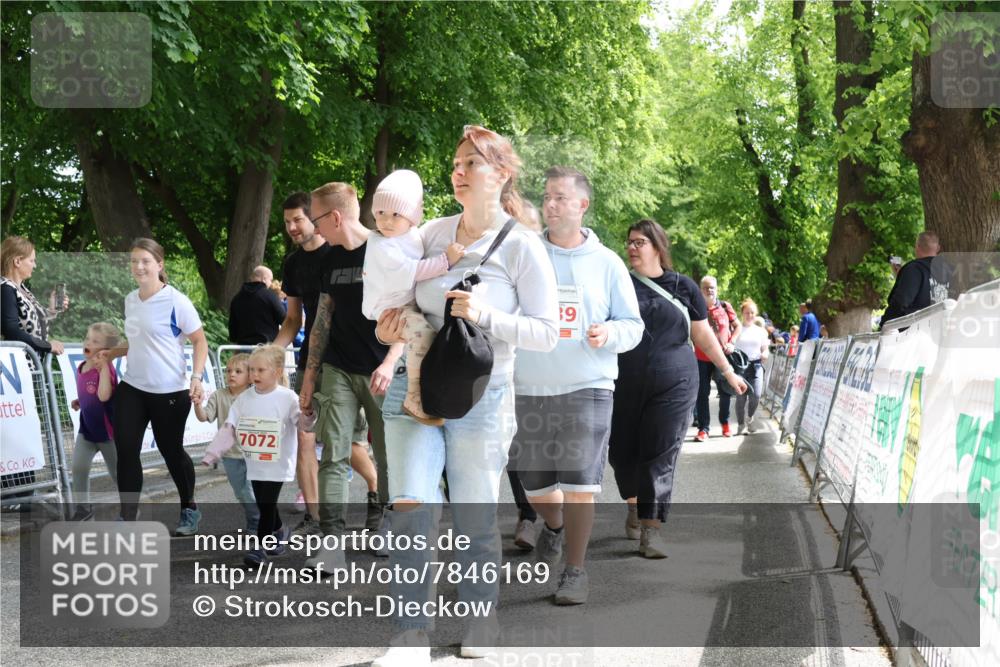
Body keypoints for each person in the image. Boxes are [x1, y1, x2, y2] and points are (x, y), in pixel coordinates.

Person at [372, 125, 558, 666]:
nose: (456, 172)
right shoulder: (429, 233)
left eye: (469, 164)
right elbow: (390, 296)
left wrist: (486, 316)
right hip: (413, 389)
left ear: (500, 174)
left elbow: (547, 331)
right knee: (410, 508)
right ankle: (410, 636)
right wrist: (388, 330)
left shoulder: (522, 246)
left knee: (475, 516)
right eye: (454, 164)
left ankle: (482, 618)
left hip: (484, 394)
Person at [510, 166, 643, 605]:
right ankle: (553, 526)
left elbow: (633, 325)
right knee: (537, 489)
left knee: (581, 484)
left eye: (561, 198)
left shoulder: (607, 264)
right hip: (529, 386)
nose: (551, 204)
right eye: (547, 197)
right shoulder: (526, 253)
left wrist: (609, 334)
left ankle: (575, 570)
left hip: (588, 384)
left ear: (582, 205)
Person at [610, 219, 746, 559]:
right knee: (622, 452)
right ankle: (633, 504)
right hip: (624, 380)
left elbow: (702, 335)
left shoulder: (683, 286)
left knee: (660, 452)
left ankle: (651, 527)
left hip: (676, 381)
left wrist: (728, 373)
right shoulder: (619, 284)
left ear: (658, 246)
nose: (631, 247)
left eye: (639, 242)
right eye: (629, 242)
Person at [299, 182, 403, 570]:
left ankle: (387, 519)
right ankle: (332, 544)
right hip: (338, 369)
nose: (314, 228)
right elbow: (321, 320)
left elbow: (408, 311)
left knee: (389, 456)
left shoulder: (385, 250)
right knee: (333, 456)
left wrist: (391, 362)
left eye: (315, 219)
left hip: (380, 369)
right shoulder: (327, 260)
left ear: (335, 216)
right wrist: (310, 377)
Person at [272, 192, 375, 538]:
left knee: (346, 445)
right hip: (314, 361)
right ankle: (317, 520)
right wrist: (274, 352)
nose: (292, 227)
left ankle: (377, 490)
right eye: (287, 222)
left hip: (358, 361)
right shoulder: (292, 264)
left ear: (319, 219)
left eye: (299, 220)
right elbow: (294, 320)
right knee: (308, 440)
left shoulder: (342, 250)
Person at [98, 238, 208, 533]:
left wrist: (196, 377)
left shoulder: (176, 301)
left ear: (159, 265)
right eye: (134, 261)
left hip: (169, 391)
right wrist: (113, 352)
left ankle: (189, 509)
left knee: (171, 450)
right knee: (126, 449)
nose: (139, 266)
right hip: (133, 387)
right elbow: (137, 340)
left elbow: (200, 340)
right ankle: (127, 517)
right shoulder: (131, 299)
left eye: (145, 261)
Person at [361, 169, 465, 424]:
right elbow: (414, 270)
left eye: (396, 214)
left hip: (403, 304)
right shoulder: (381, 244)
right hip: (392, 307)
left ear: (413, 217)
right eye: (380, 213)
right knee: (423, 336)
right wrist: (446, 261)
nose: (386, 220)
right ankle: (415, 397)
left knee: (424, 336)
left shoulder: (414, 235)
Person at [202, 345, 310, 566]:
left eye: (260, 370)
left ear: (277, 372)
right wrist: (213, 453)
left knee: (267, 503)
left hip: (278, 463)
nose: (254, 375)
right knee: (263, 503)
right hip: (255, 462)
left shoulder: (288, 397)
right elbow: (229, 427)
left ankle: (260, 548)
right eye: (252, 370)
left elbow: (302, 423)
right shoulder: (244, 398)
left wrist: (309, 414)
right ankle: (280, 530)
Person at [0, 236, 68, 497]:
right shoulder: (5, 288)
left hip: (29, 371)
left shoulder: (22, 290)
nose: (35, 265)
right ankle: (15, 492)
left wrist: (51, 311)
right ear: (17, 261)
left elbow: (31, 324)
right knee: (17, 429)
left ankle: (26, 488)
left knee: (26, 427)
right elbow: (10, 329)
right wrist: (46, 345)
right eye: (32, 260)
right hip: (17, 372)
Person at [194, 353, 259, 534]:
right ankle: (257, 520)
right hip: (230, 455)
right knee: (242, 493)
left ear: (249, 376)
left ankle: (258, 524)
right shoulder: (219, 395)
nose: (231, 374)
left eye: (238, 371)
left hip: (254, 453)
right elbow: (204, 417)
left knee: (255, 491)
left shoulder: (255, 396)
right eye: (229, 370)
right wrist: (197, 404)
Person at [68, 322, 120, 521]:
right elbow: (90, 394)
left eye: (95, 341)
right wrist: (80, 401)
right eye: (88, 338)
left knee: (118, 474)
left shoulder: (107, 370)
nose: (88, 342)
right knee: (79, 468)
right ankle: (83, 508)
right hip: (87, 431)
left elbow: (105, 395)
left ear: (106, 350)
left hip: (108, 434)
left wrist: (105, 366)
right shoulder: (81, 367)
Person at [694, 275, 741, 441]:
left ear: (717, 289)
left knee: (725, 392)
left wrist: (732, 342)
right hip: (701, 357)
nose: (709, 290)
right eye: (706, 288)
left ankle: (725, 423)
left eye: (712, 287)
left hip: (722, 357)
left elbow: (738, 326)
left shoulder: (725, 306)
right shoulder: (695, 307)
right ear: (700, 290)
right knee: (702, 393)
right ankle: (703, 429)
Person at [881, 231, 952, 329]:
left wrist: (884, 324)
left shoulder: (914, 269)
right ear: (938, 248)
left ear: (917, 246)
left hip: (914, 333)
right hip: (941, 328)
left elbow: (900, 302)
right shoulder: (950, 270)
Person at [733, 301, 769, 435]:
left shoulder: (760, 331)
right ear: (742, 313)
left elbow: (765, 348)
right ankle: (741, 424)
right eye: (747, 312)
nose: (750, 315)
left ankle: (750, 417)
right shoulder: (737, 329)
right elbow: (731, 344)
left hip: (756, 365)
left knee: (756, 395)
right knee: (741, 398)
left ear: (756, 314)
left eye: (752, 313)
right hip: (740, 367)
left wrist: (765, 353)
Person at [228, 265, 286, 345]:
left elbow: (233, 331)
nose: (271, 283)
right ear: (264, 279)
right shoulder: (270, 296)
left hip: (243, 349)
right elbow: (284, 320)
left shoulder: (237, 298)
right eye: (270, 280)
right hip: (266, 349)